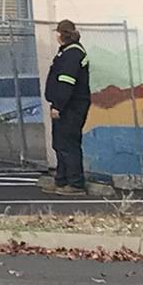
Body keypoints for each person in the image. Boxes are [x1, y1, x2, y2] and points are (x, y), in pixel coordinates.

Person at [44, 19, 92, 192]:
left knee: (68, 144)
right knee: (60, 143)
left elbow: (66, 82)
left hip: (71, 106)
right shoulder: (68, 52)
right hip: (67, 105)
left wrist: (58, 105)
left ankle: (75, 183)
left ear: (61, 34)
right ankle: (62, 180)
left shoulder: (72, 54)